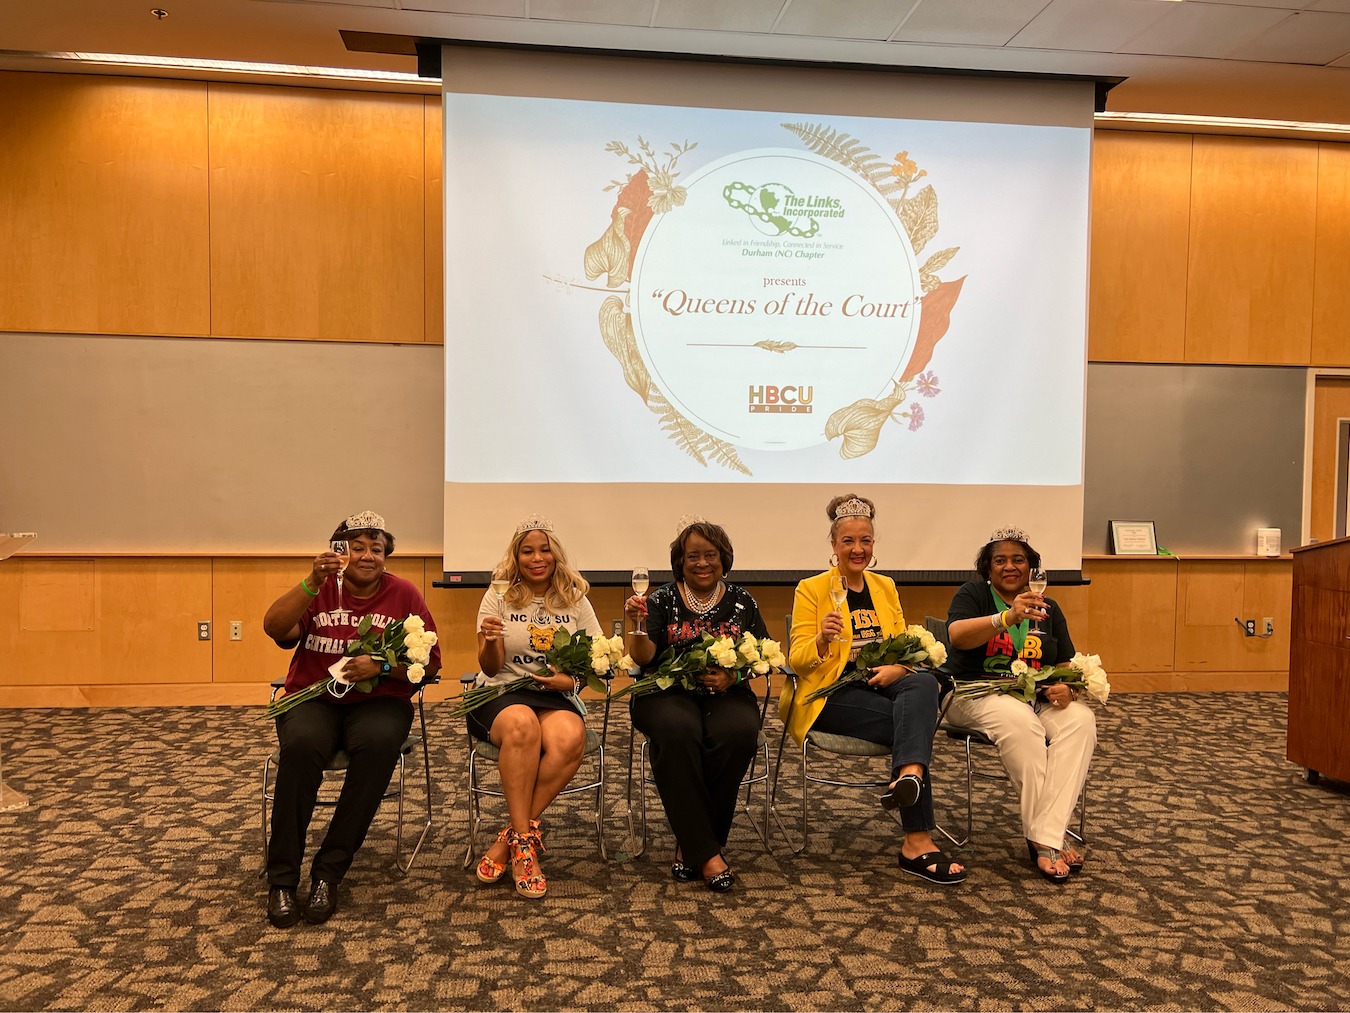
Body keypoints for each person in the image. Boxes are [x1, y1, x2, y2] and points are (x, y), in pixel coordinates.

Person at [261, 511, 440, 928]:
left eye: (376, 549)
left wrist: (379, 666)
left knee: (377, 747)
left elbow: (429, 665)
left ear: (386, 557)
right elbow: (274, 628)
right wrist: (310, 582)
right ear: (340, 553)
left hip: (379, 701)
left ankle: (329, 871)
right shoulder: (319, 589)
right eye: (357, 547)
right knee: (303, 747)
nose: (367, 556)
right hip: (314, 697)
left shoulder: (405, 595)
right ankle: (283, 880)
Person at [785, 494, 966, 885]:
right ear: (833, 546)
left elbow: (903, 644)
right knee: (914, 724)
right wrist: (820, 640)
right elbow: (797, 660)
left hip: (882, 684)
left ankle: (908, 777)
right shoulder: (812, 589)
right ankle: (916, 837)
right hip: (830, 693)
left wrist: (897, 667)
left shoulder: (884, 586)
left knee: (922, 680)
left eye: (865, 540)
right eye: (848, 541)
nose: (858, 549)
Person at [942, 525, 1096, 883]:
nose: (1009, 566)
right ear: (987, 568)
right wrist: (1006, 618)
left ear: (1031, 568)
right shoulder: (973, 595)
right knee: (1019, 721)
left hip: (1033, 698)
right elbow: (957, 638)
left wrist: (1069, 689)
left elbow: (1063, 662)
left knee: (1080, 720)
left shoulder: (1049, 606)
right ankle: (1048, 843)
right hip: (971, 693)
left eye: (1018, 560)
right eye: (999, 560)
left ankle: (1046, 834)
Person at [623, 516, 768, 892]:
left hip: (726, 693)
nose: (702, 563)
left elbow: (761, 658)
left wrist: (733, 677)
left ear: (724, 559)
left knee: (738, 732)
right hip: (665, 693)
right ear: (679, 562)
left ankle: (693, 846)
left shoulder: (742, 601)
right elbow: (642, 658)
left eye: (710, 555)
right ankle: (708, 853)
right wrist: (635, 625)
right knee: (678, 730)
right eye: (693, 557)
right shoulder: (660, 600)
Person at [472, 515, 601, 899]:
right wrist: (492, 640)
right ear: (516, 557)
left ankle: (510, 839)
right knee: (522, 725)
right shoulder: (498, 595)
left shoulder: (575, 598)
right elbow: (489, 667)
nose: (536, 558)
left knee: (571, 736)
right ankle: (525, 845)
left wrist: (572, 683)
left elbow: (597, 659)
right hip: (500, 692)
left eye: (544, 549)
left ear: (555, 554)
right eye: (527, 551)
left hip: (554, 695)